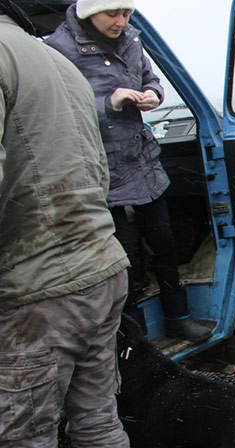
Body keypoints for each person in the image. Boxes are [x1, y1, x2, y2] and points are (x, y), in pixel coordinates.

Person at [0, 1, 145, 448]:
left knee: (28, 446)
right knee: (98, 421)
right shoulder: (57, 63)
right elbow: (98, 169)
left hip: (37, 288)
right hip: (101, 268)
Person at [45, 0, 211, 341]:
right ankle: (134, 337)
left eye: (127, 13)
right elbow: (54, 106)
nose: (121, 22)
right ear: (89, 11)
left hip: (142, 161)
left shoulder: (132, 39)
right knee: (125, 256)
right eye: (112, 14)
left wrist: (152, 93)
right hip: (101, 167)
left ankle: (178, 317)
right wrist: (109, 102)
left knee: (165, 243)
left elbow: (152, 79)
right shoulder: (59, 49)